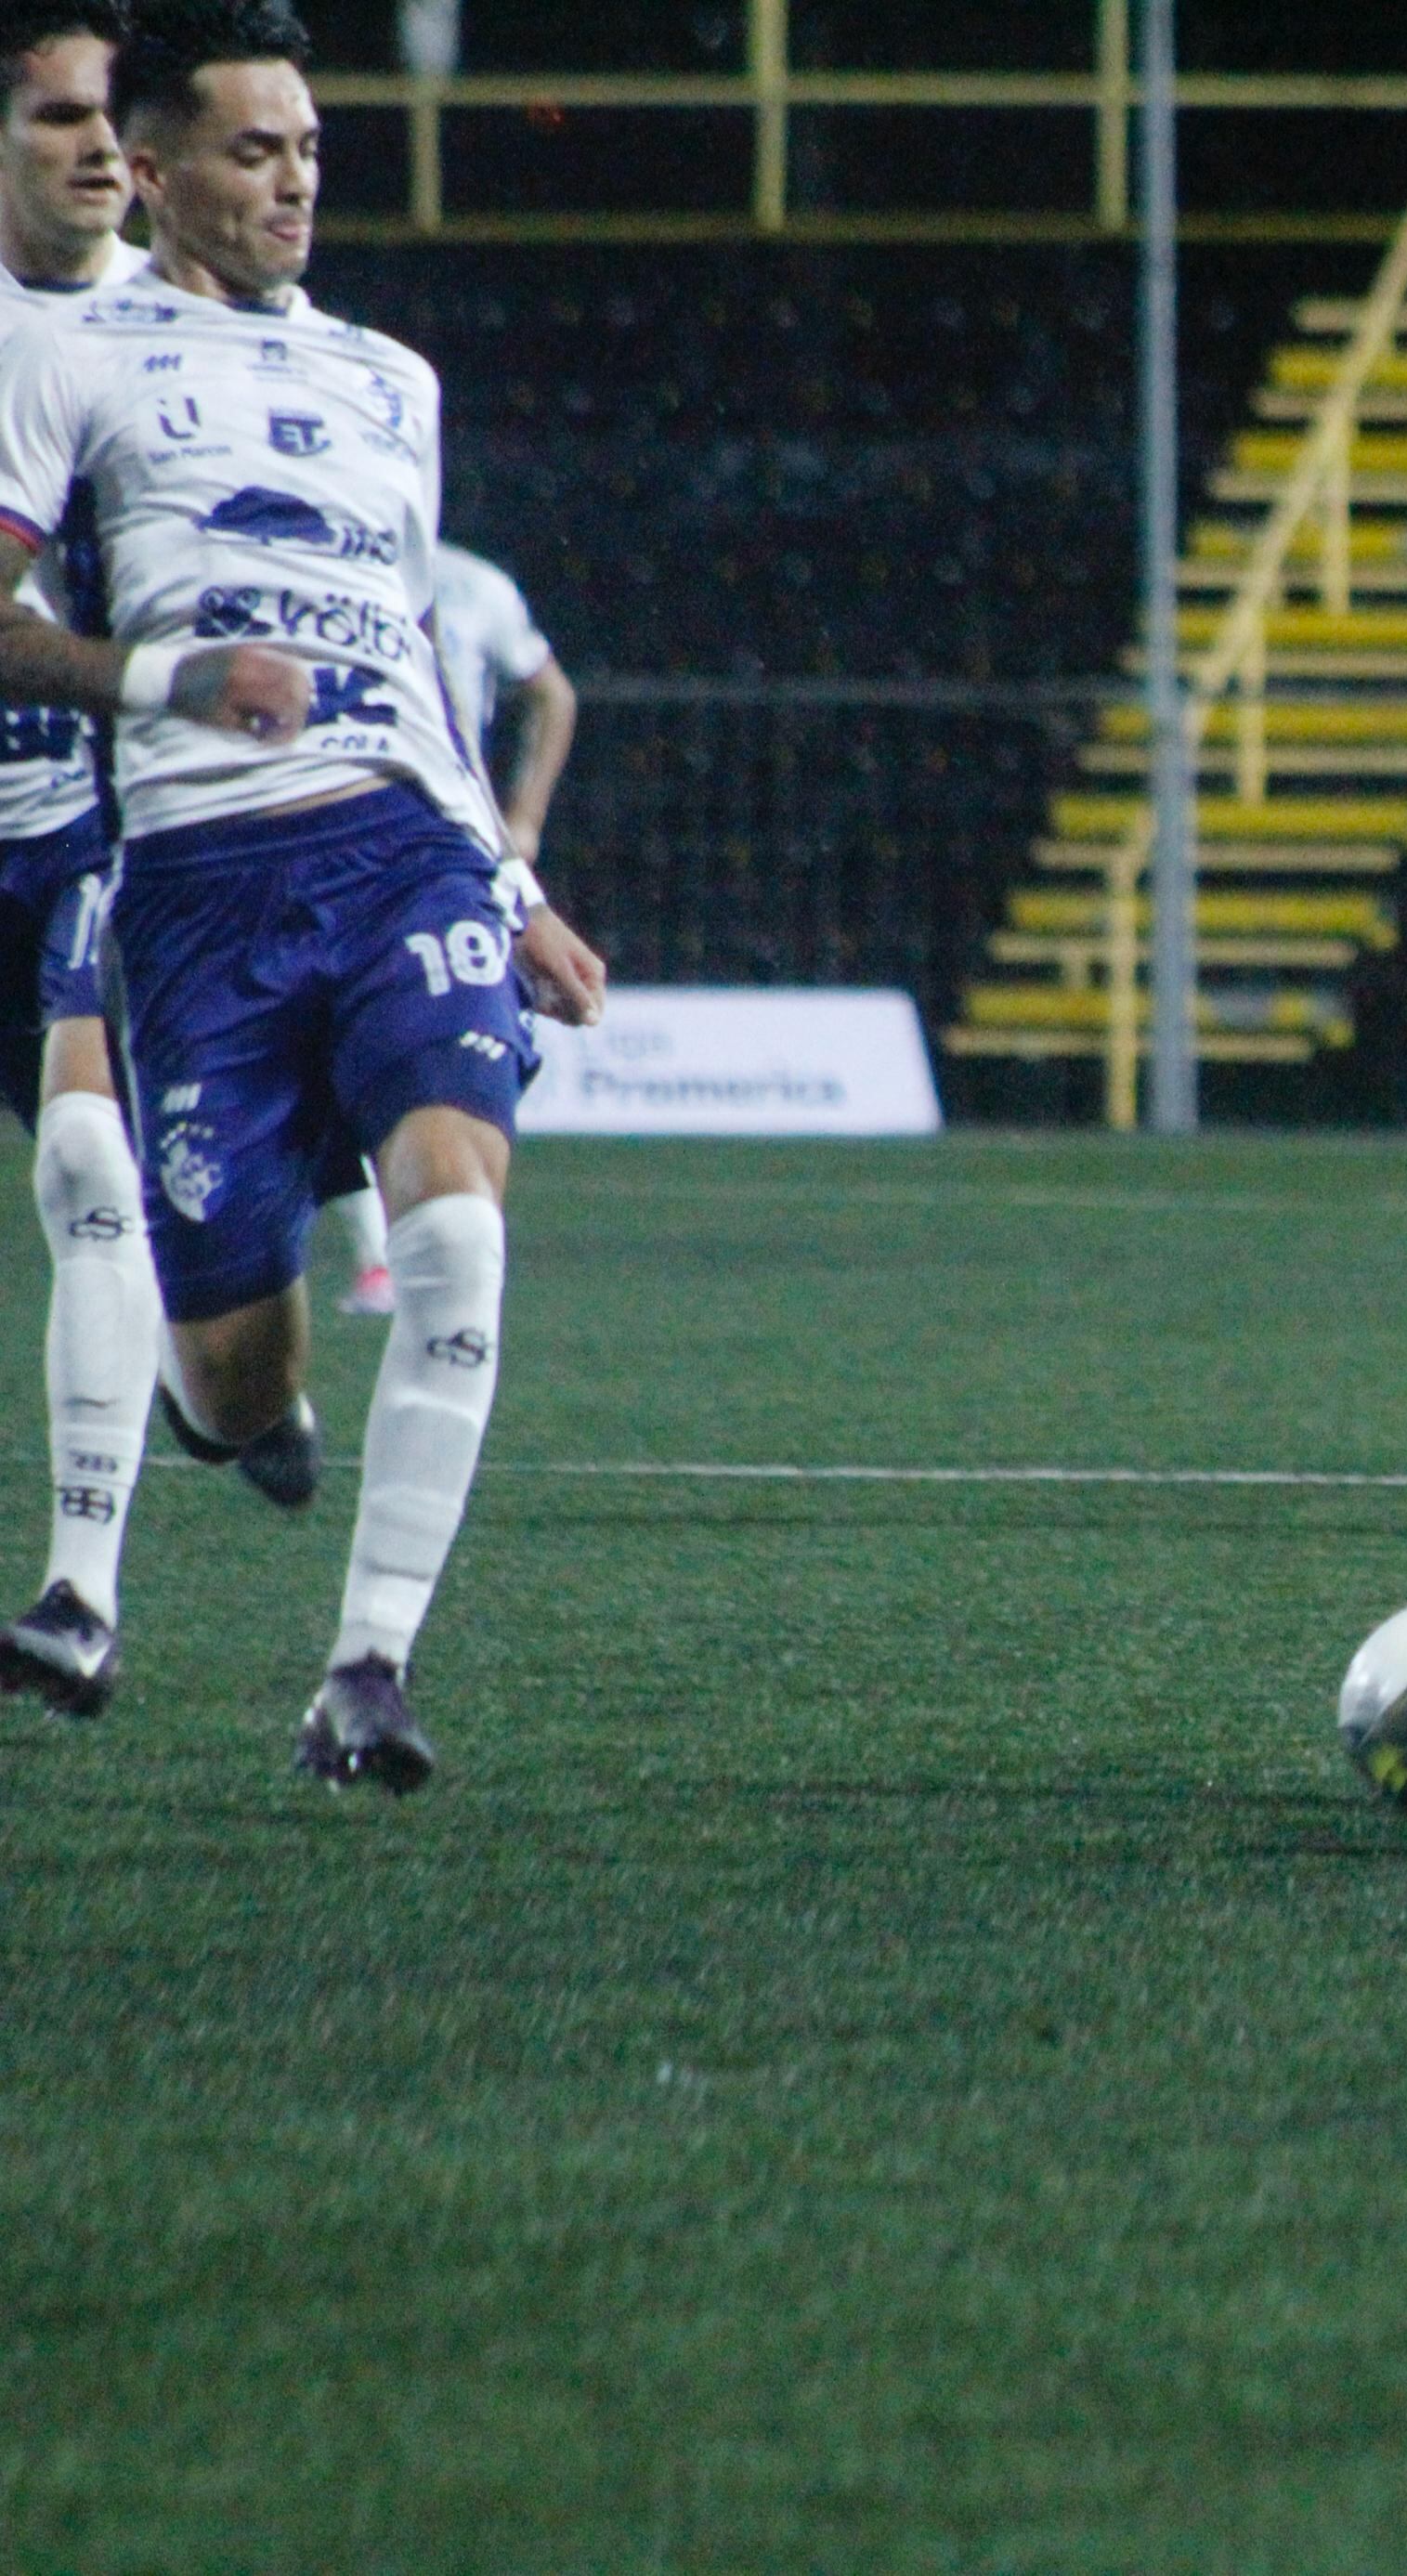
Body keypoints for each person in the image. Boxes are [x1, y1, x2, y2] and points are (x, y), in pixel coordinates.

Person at [0, 0, 606, 1790]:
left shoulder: (390, 378)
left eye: (311, 151)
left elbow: (418, 664)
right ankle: (219, 1403)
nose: (291, 184)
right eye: (253, 151)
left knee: (461, 1223)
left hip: (396, 847)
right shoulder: (72, 356)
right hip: (194, 884)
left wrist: (510, 876)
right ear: (167, 164)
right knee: (237, 1376)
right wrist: (175, 682)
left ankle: (368, 1669)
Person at [0, 0, 151, 1719]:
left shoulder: (170, 339)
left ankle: (78, 1593)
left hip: (90, 830)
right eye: (55, 118)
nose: (100, 145)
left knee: (87, 1170)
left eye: (115, 116)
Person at [326, 539, 570, 1317]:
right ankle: (390, 1250)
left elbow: (553, 694)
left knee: (437, 1047)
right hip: (334, 831)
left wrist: (522, 822)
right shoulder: (315, 560)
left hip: (452, 843)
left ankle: (421, 1236)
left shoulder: (475, 583)